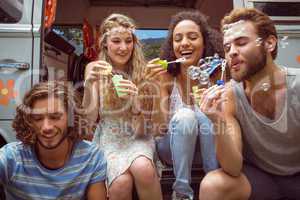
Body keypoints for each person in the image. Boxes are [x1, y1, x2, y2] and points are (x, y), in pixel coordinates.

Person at [198, 8, 300, 200]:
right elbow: (233, 167)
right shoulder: (230, 94)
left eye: (241, 43)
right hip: (261, 180)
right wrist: (217, 120)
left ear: (269, 43)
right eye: (227, 48)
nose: (232, 53)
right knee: (214, 186)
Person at [145, 11, 226, 200]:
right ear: (172, 47)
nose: (184, 43)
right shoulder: (165, 77)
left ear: (205, 43)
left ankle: (213, 182)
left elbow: (223, 124)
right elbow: (159, 129)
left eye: (192, 37)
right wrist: (156, 87)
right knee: (185, 116)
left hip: (210, 151)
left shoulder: (217, 75)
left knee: (205, 112)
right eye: (177, 39)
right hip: (171, 150)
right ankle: (181, 192)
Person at [82, 13, 162, 200]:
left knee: (143, 169)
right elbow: (89, 120)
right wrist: (88, 86)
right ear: (105, 44)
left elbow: (145, 129)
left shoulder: (144, 72)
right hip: (110, 139)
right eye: (116, 41)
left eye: (128, 41)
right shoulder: (94, 68)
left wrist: (135, 103)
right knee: (120, 183)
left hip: (138, 136)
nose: (123, 47)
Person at [0, 81, 107, 200]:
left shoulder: (91, 157)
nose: (46, 127)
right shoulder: (11, 157)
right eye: (38, 118)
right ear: (29, 121)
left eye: (55, 117)